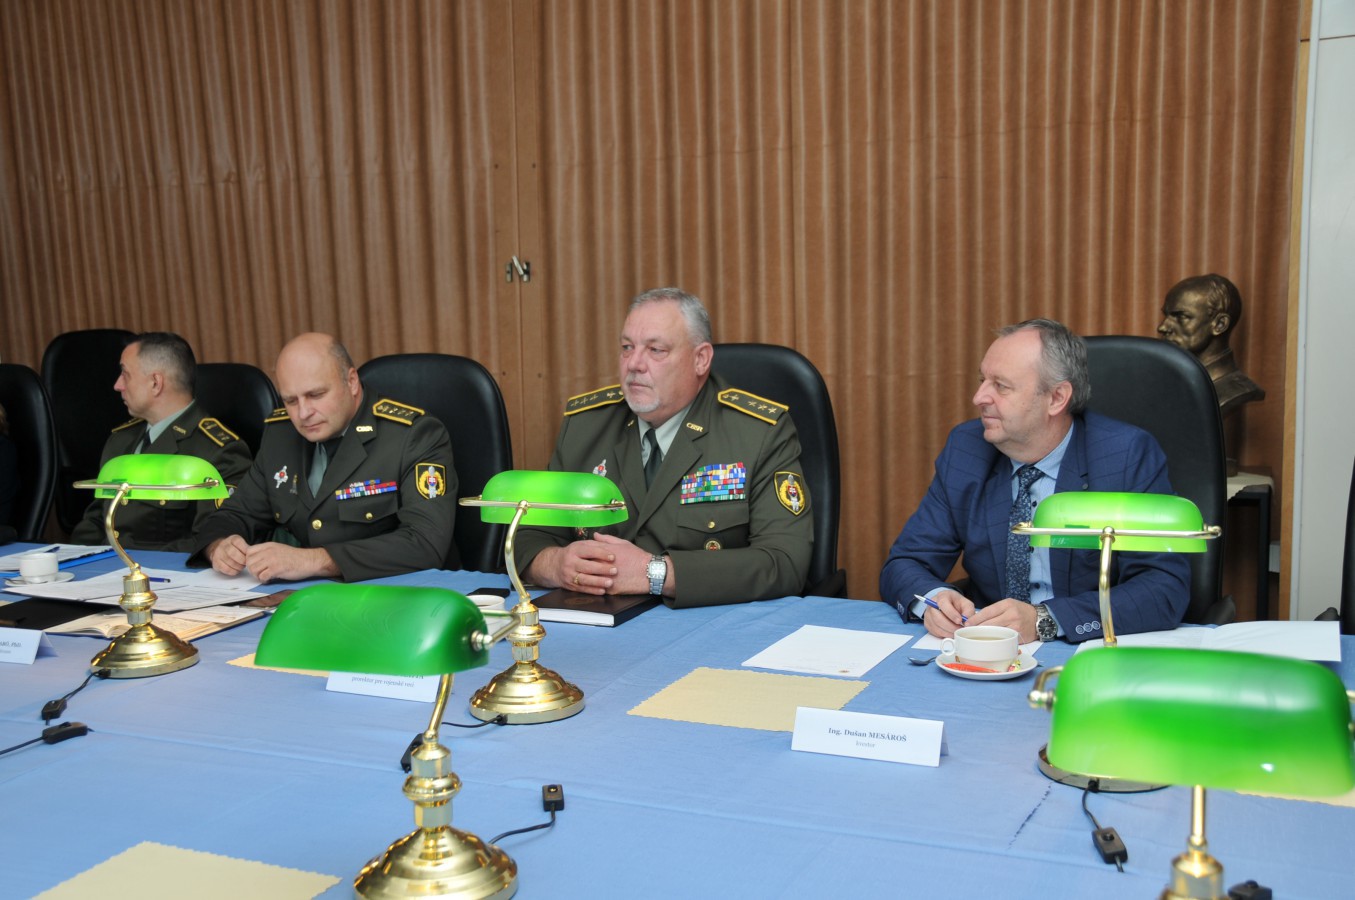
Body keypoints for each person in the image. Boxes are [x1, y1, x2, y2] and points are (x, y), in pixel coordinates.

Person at [879, 319, 1190, 643]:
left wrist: (1046, 619)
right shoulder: (967, 449)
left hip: (1087, 650)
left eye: (1001, 386)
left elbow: (1164, 588)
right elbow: (905, 562)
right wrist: (933, 600)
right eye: (983, 380)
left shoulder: (1124, 455)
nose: (978, 397)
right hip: (988, 651)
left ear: (1056, 398)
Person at [514, 287, 812, 607]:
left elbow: (784, 562)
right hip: (596, 620)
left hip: (709, 622)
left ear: (700, 359)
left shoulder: (758, 433)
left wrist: (656, 573)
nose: (634, 364)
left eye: (656, 350)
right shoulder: (585, 427)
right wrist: (555, 564)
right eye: (627, 348)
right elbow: (525, 536)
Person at [190, 333, 458, 582]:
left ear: (351, 382)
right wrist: (220, 547)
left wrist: (314, 560)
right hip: (308, 598)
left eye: (315, 395)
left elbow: (425, 543)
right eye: (291, 401)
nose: (303, 413)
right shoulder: (280, 435)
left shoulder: (413, 435)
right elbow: (235, 513)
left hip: (400, 595)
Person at [68, 333, 252, 551]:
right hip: (104, 566)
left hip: (160, 570)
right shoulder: (120, 440)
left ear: (156, 383)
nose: (117, 385)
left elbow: (209, 542)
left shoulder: (218, 451)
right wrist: (71, 557)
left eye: (125, 374)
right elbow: (96, 520)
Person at [1157, 273, 1265, 417]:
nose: (1162, 327)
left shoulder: (1234, 391)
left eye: (1181, 317)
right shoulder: (1167, 383)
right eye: (1167, 315)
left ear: (1219, 324)